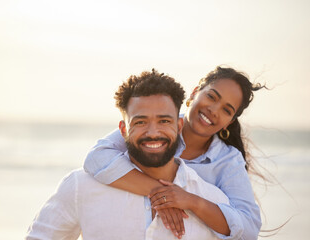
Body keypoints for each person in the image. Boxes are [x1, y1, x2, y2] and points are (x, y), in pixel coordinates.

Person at [26, 69, 230, 240]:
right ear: (123, 130)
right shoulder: (81, 186)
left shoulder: (211, 200)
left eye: (164, 121)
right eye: (140, 122)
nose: (153, 132)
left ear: (178, 126)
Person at [84, 66, 265, 239]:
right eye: (211, 97)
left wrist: (192, 201)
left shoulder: (228, 160)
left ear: (229, 122)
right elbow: (96, 159)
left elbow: (248, 230)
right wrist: (162, 194)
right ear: (194, 93)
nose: (213, 110)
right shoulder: (156, 122)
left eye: (226, 110)